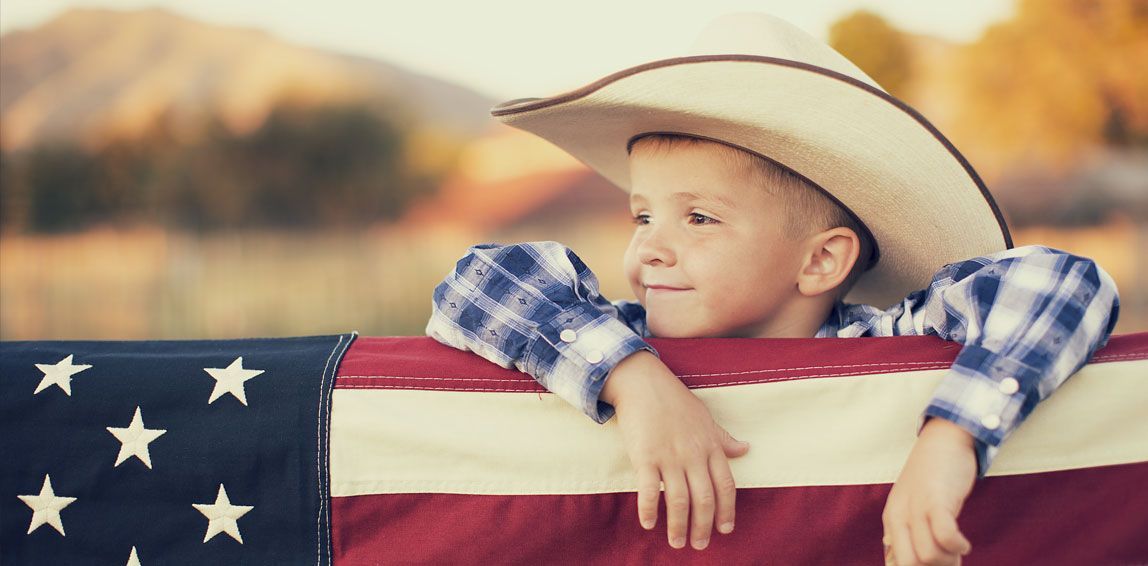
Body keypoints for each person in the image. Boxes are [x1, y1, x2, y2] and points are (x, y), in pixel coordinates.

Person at [425, 13, 1120, 566]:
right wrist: (635, 381)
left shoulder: (892, 342)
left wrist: (951, 439)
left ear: (820, 263)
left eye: (698, 218)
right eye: (643, 214)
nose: (650, 246)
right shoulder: (625, 341)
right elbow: (478, 282)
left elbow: (1060, 282)